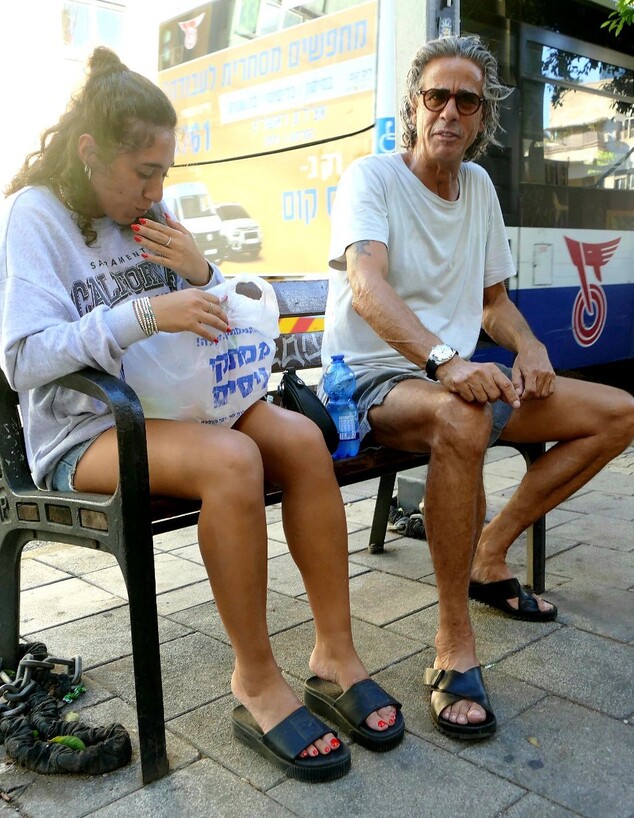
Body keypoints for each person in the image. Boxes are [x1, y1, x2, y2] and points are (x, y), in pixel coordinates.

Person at [0, 47, 405, 782]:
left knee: (301, 440)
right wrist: (141, 316)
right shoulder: (36, 216)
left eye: (165, 171)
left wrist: (201, 272)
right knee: (234, 461)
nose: (158, 190)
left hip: (180, 404)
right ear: (89, 152)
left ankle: (334, 654)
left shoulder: (149, 211)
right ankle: (255, 680)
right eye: (144, 171)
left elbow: (209, 315)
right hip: (89, 430)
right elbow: (22, 358)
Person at [322, 34, 634, 740]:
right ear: (415, 104)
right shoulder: (372, 178)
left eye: (467, 101)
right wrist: (443, 361)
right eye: (437, 96)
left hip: (453, 381)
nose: (450, 112)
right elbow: (365, 286)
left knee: (618, 414)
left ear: (482, 117)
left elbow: (493, 302)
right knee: (462, 419)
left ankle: (489, 554)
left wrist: (529, 345)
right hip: (373, 378)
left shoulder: (480, 188)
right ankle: (452, 643)